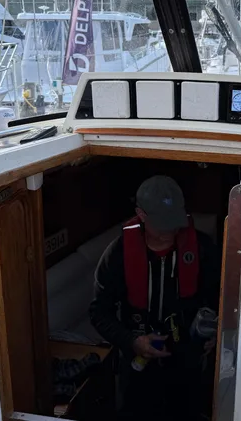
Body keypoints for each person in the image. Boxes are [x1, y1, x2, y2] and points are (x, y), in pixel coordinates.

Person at [90, 175, 219, 420]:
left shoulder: (203, 249)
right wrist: (131, 341)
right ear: (141, 214)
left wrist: (217, 330)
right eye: (163, 224)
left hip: (186, 363)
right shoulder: (118, 254)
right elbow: (99, 313)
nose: (171, 231)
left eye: (175, 222)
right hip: (138, 364)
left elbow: (221, 300)